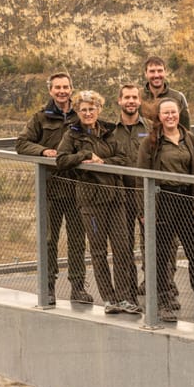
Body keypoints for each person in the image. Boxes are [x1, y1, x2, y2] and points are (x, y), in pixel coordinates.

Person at [56, 90, 141, 315]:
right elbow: (62, 159)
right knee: (98, 250)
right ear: (77, 111)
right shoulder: (72, 135)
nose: (88, 113)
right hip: (91, 201)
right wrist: (84, 155)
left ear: (99, 109)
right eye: (83, 109)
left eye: (91, 109)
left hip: (115, 197)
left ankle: (125, 297)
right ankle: (109, 298)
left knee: (122, 249)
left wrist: (103, 161)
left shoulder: (109, 131)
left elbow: (122, 158)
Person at [15, 72, 91, 306]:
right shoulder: (41, 118)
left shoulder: (81, 115)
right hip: (51, 188)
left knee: (78, 240)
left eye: (66, 87)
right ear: (50, 91)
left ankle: (78, 287)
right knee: (49, 239)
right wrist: (43, 152)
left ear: (71, 89)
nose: (62, 91)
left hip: (77, 188)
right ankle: (48, 287)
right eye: (57, 87)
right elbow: (21, 143)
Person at [137, 98, 194, 323]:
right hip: (162, 200)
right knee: (161, 255)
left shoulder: (191, 139)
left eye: (173, 112)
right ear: (159, 116)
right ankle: (164, 301)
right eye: (165, 113)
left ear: (179, 115)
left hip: (187, 200)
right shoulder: (150, 143)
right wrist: (144, 209)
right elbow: (142, 177)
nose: (170, 116)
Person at [112, 84, 151, 302]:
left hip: (145, 192)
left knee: (153, 243)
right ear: (119, 100)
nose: (131, 101)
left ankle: (158, 288)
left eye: (134, 97)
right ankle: (129, 291)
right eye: (126, 97)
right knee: (124, 243)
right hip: (121, 194)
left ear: (139, 101)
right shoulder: (110, 130)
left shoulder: (151, 127)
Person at [141, 56, 191, 130]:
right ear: (146, 73)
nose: (156, 75)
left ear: (165, 72)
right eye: (152, 71)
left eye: (160, 71)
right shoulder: (137, 97)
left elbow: (185, 129)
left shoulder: (178, 97)